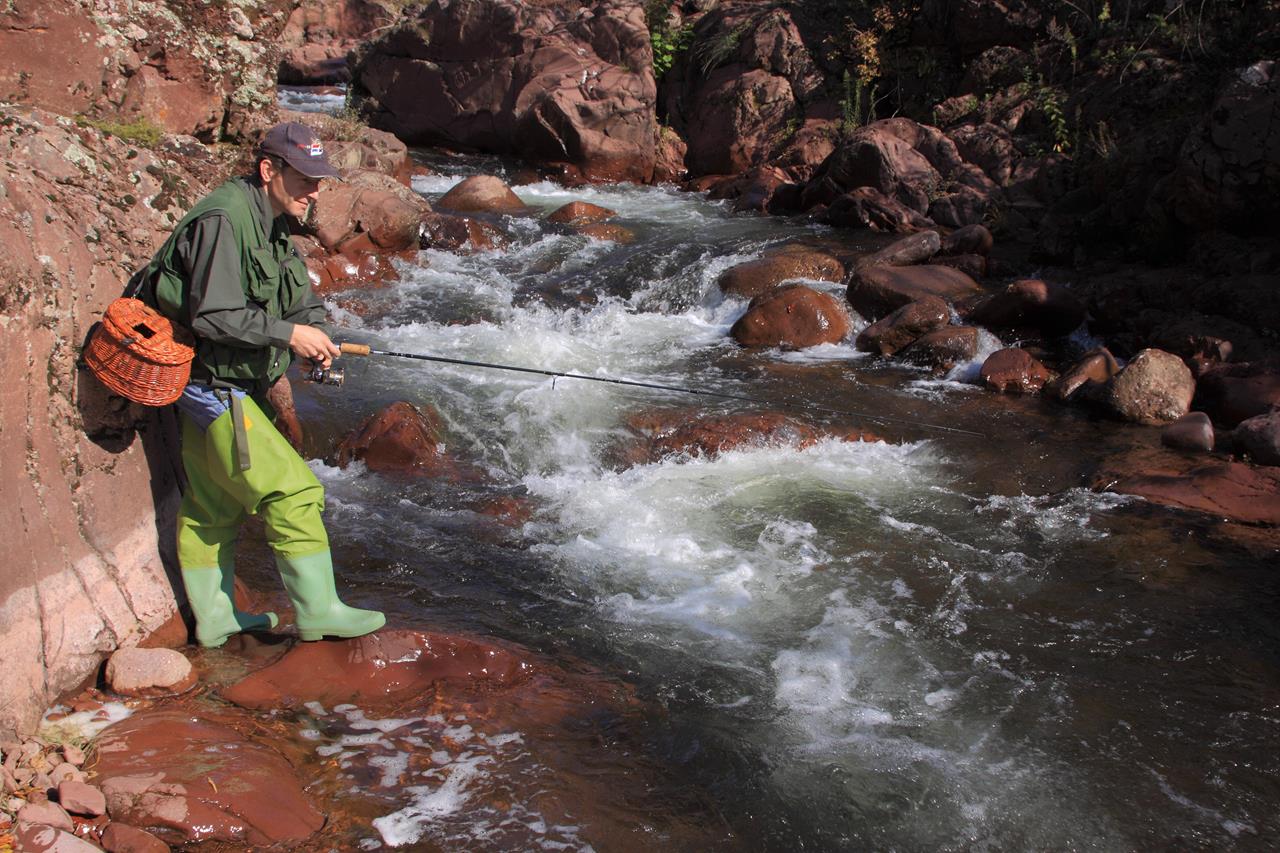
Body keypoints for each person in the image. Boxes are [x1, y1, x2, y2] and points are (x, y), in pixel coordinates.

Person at [140, 122, 385, 647]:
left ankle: (216, 619)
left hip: (227, 380)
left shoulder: (273, 220)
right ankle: (319, 612)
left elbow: (297, 300)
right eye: (305, 180)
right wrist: (289, 336)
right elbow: (214, 315)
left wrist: (314, 333)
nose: (314, 192)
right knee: (295, 493)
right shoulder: (224, 219)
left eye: (319, 181)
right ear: (269, 169)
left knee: (212, 505)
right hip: (209, 383)